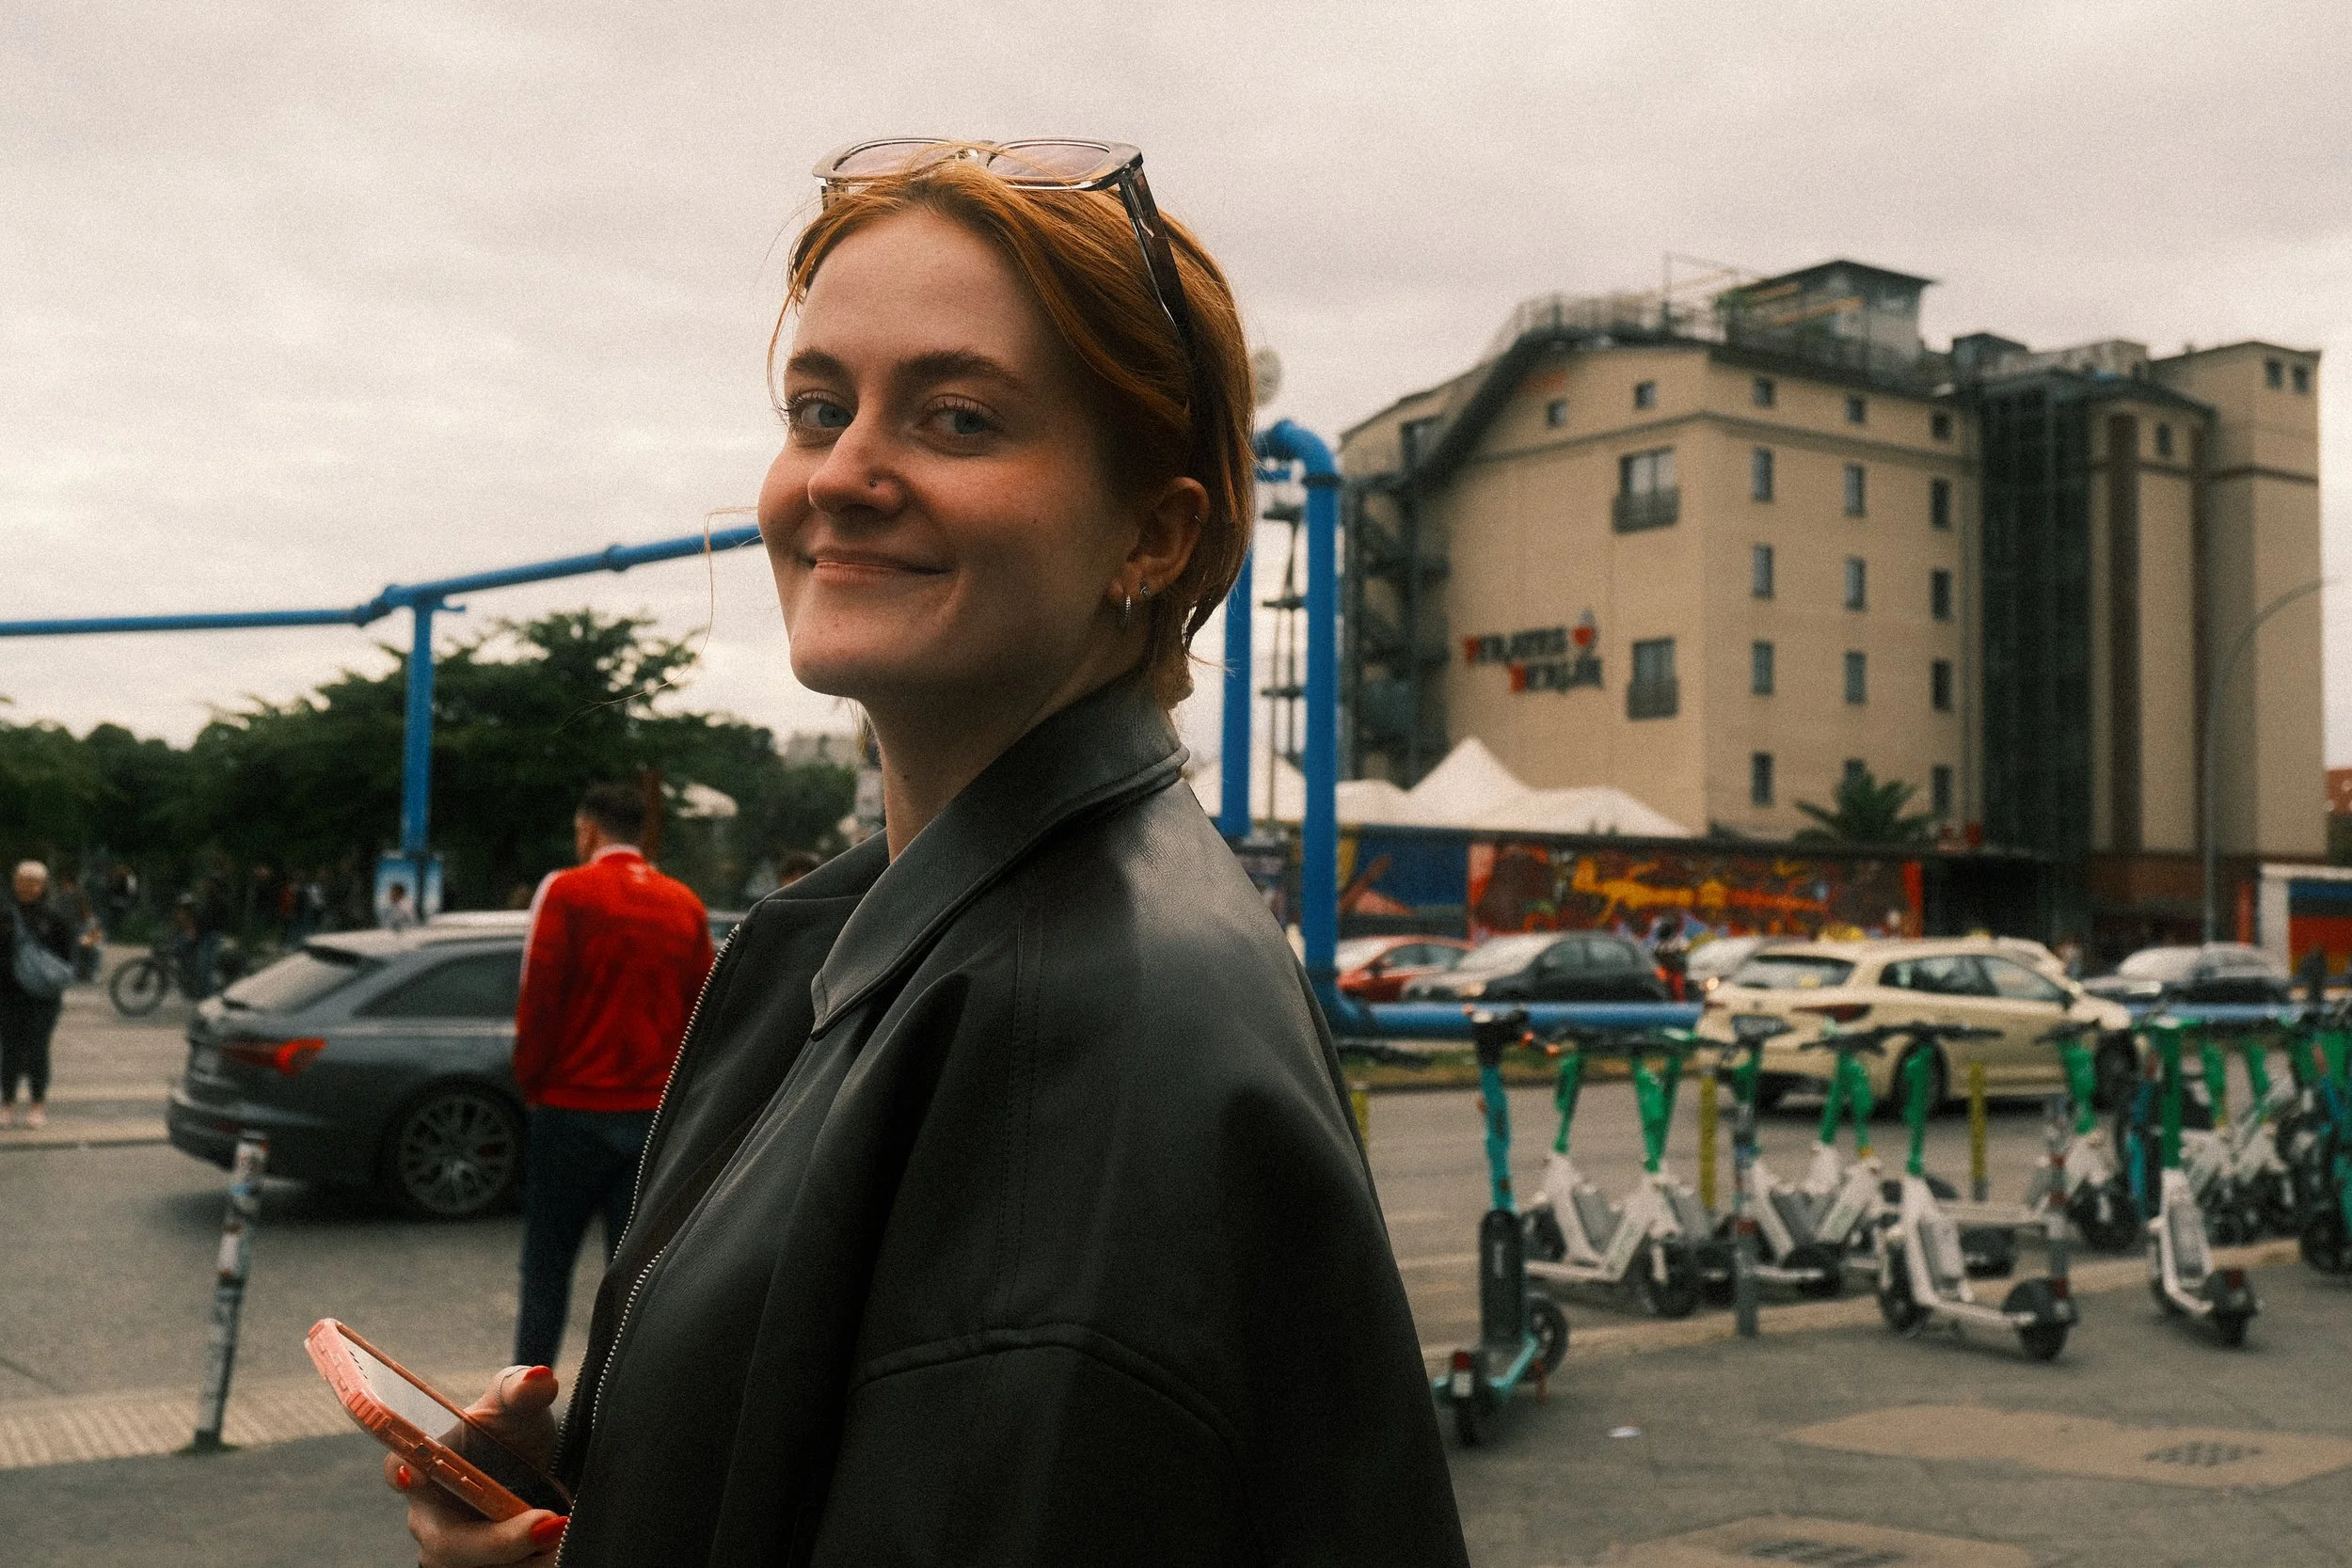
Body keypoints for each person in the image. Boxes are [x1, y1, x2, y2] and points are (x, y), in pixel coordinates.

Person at [392, 139, 1466, 1566]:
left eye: (956, 418)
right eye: (817, 405)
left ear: (1150, 535)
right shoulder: (924, 928)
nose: (843, 473)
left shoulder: (1065, 1023)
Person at [508, 783, 713, 1372]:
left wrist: (534, 1086)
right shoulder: (685, 903)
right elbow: (702, 1013)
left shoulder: (567, 892)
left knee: (547, 1269)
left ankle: (526, 1403)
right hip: (650, 1117)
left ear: (590, 831)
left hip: (570, 1109)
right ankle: (611, 1415)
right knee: (631, 1278)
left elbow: (538, 1001)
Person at [4, 862, 75, 1131]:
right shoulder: (5, 914)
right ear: (15, 882)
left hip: (43, 999)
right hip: (9, 995)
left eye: (34, 882)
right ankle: (7, 1103)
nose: (28, 887)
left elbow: (67, 961)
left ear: (44, 886)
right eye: (22, 881)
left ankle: (37, 1104)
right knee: (9, 1050)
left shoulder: (55, 917)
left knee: (37, 1050)